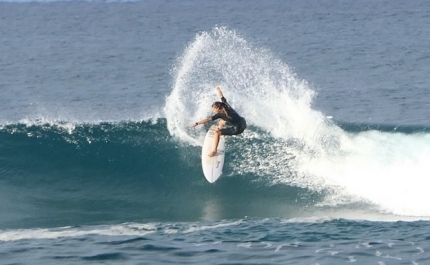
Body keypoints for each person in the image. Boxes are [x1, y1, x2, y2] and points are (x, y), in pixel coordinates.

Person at [192, 87, 246, 157]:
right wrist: (218, 90)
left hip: (238, 129)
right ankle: (219, 128)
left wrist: (197, 123)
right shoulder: (225, 105)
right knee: (222, 121)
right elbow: (221, 96)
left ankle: (214, 151)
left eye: (213, 109)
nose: (212, 110)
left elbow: (208, 119)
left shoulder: (220, 114)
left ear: (217, 108)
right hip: (243, 122)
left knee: (217, 133)